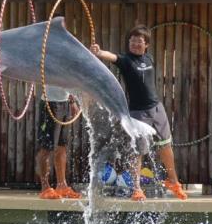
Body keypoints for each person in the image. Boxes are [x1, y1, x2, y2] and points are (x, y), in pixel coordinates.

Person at [90, 24, 187, 201]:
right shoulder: (126, 61)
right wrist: (99, 52)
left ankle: (173, 182)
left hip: (157, 109)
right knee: (138, 151)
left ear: (146, 44)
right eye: (132, 41)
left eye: (139, 41)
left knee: (166, 145)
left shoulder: (149, 58)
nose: (135, 44)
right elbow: (112, 57)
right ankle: (136, 188)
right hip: (138, 113)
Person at [36, 85, 81, 199]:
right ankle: (45, 187)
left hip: (64, 103)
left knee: (62, 146)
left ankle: (62, 185)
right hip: (49, 103)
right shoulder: (44, 65)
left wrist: (72, 101)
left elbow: (67, 80)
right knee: (46, 148)